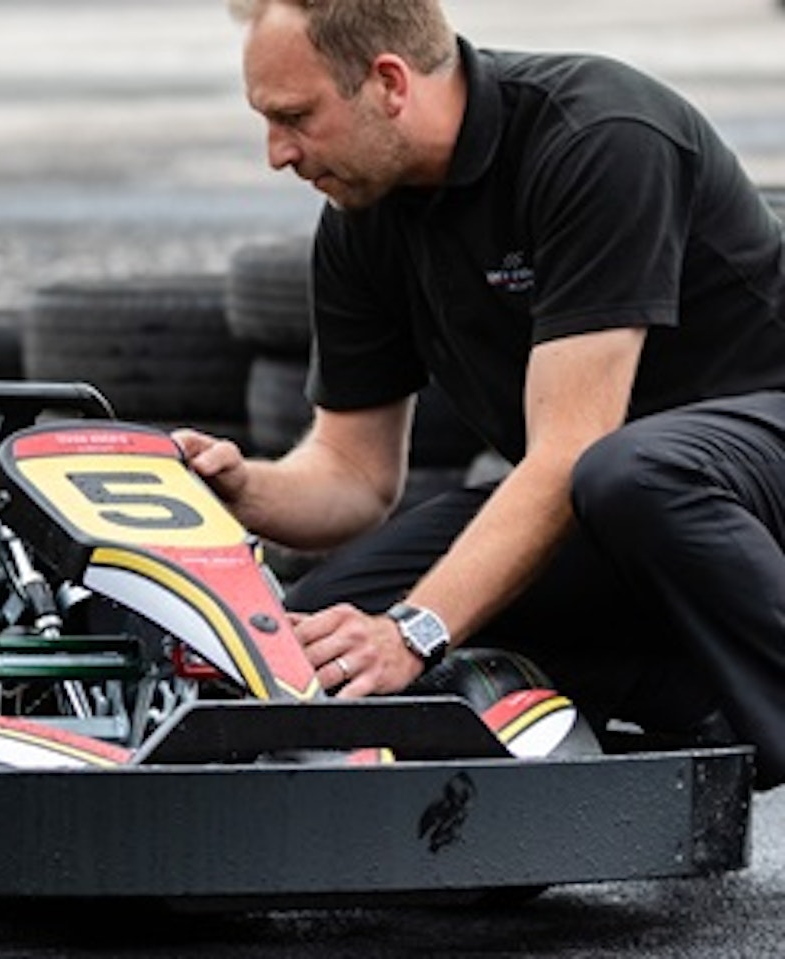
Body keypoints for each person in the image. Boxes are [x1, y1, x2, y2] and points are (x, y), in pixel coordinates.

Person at [177, 0, 785, 789]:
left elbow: (570, 451)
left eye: (295, 117)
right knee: (311, 638)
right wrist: (240, 489)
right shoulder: (364, 216)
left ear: (389, 82)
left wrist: (417, 630)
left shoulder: (598, 137)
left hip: (746, 480)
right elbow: (354, 476)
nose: (276, 153)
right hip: (615, 507)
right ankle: (676, 691)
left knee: (629, 474)